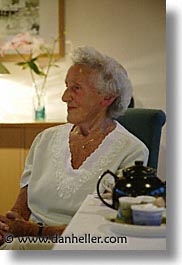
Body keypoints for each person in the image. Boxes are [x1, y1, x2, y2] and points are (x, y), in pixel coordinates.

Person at [0, 46, 148, 250]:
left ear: (106, 98)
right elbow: (20, 212)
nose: (64, 97)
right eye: (66, 86)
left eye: (76, 88)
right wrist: (6, 228)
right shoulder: (45, 139)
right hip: (24, 244)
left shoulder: (132, 151)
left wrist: (33, 232)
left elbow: (109, 229)